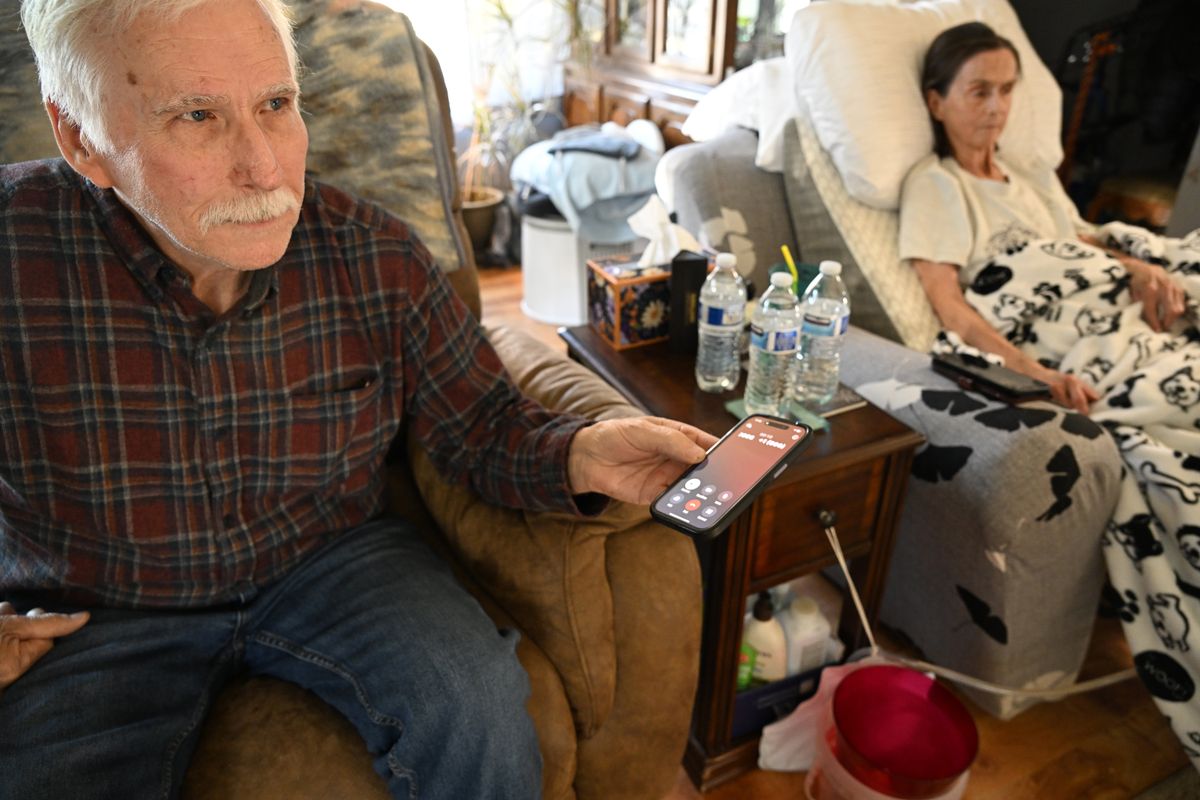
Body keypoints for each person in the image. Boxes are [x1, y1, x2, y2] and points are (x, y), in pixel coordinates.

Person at [0, 1, 716, 797]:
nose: (265, 169)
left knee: (476, 699)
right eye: (197, 116)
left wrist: (584, 453)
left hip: (328, 559)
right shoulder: (13, 253)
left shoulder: (372, 253)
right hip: (99, 608)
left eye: (276, 104)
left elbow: (480, 425)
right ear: (80, 139)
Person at [899, 21, 1187, 414]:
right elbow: (948, 306)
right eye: (980, 92)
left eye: (1006, 90)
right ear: (936, 104)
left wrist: (1138, 267)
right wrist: (1033, 374)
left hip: (1125, 310)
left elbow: (1079, 245)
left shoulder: (1033, 177)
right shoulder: (937, 184)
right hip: (1069, 336)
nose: (997, 108)